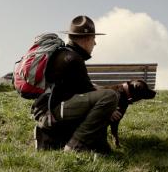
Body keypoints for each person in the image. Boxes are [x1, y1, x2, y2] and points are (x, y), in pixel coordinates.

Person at [32, 15, 120, 153]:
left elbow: (84, 88)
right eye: (93, 39)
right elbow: (90, 91)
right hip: (55, 110)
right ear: (86, 39)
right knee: (110, 97)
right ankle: (76, 146)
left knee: (101, 101)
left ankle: (57, 140)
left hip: (47, 109)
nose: (95, 44)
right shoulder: (73, 59)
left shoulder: (63, 54)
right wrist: (109, 108)